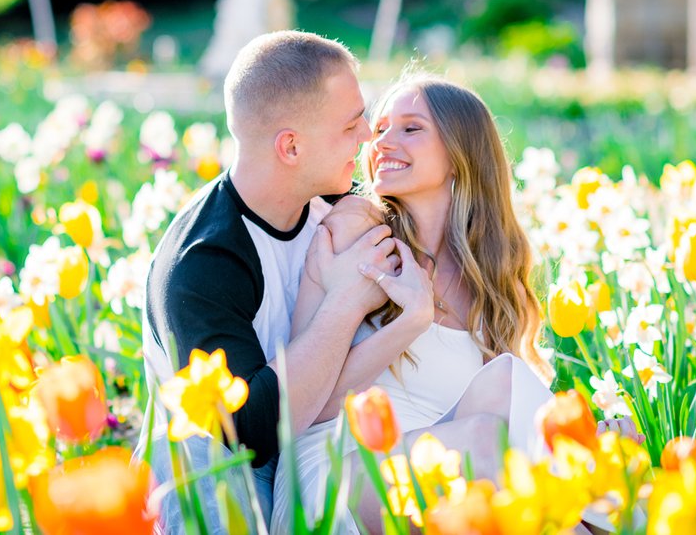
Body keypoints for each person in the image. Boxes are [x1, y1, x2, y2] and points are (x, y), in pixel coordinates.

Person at [271, 75, 642, 534]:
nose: (383, 141)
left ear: (460, 154)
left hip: (451, 470)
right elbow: (310, 404)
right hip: (339, 475)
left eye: (411, 128)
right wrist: (410, 323)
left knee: (515, 398)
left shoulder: (494, 277)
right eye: (382, 127)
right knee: (491, 439)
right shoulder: (357, 233)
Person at [137, 31, 400, 532]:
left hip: (321, 447)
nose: (368, 135)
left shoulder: (340, 201)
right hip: (228, 482)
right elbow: (251, 429)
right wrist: (345, 303)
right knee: (205, 447)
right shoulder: (201, 264)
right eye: (350, 126)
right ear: (291, 146)